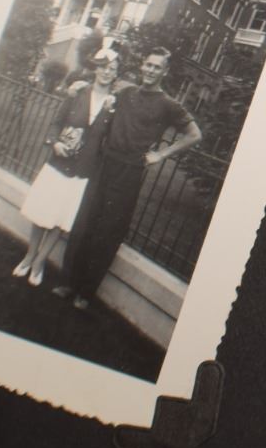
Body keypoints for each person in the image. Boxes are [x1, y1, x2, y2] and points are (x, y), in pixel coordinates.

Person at [55, 48, 202, 310]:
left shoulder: (168, 104)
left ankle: (85, 294)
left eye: (157, 67)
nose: (150, 70)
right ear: (142, 66)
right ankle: (68, 283)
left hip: (130, 171)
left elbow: (194, 135)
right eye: (148, 64)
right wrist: (78, 85)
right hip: (103, 164)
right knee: (84, 224)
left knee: (107, 232)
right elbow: (102, 83)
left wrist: (160, 155)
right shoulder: (126, 92)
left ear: (165, 72)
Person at [12, 48, 120, 286]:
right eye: (103, 67)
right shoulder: (78, 92)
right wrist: (55, 143)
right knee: (42, 210)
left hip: (83, 171)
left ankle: (40, 262)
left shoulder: (113, 105)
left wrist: (110, 111)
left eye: (112, 69)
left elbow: (107, 139)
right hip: (59, 163)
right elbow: (57, 122)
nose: (106, 72)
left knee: (61, 218)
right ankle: (29, 256)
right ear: (96, 69)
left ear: (115, 74)